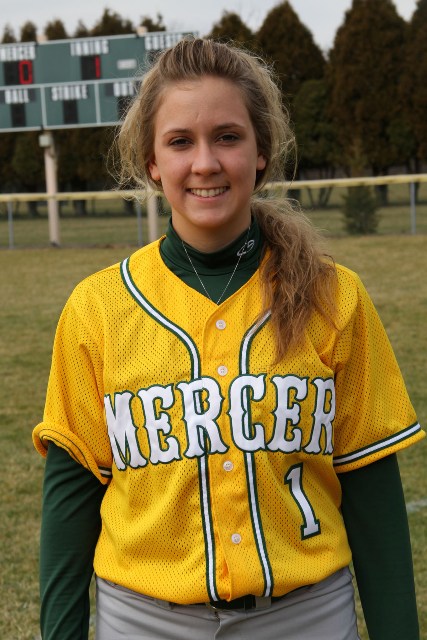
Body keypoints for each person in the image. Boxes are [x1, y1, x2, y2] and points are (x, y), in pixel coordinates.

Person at [33, 38, 424, 640]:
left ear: (261, 151)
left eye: (227, 136)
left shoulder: (333, 296)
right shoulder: (97, 308)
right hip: (142, 619)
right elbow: (71, 493)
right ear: (151, 161)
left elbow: (372, 492)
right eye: (179, 142)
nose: (205, 162)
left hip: (306, 616)